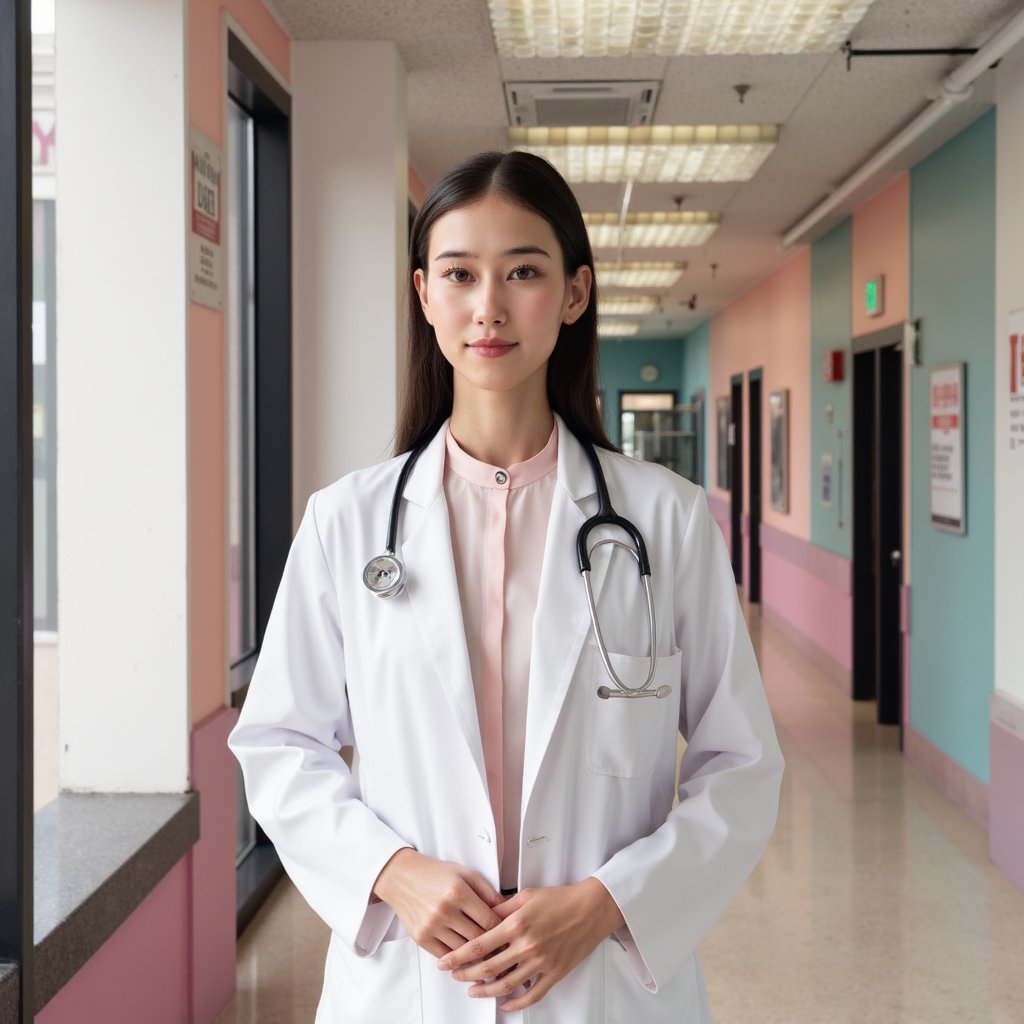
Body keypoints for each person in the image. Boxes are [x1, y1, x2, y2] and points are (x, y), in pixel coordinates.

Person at [229, 150, 784, 1023]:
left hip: (602, 982)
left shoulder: (665, 522)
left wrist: (607, 902)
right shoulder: (347, 522)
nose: (488, 306)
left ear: (574, 293)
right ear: (424, 295)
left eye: (524, 271)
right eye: (459, 274)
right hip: (410, 988)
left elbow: (742, 764)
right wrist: (392, 875)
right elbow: (279, 743)